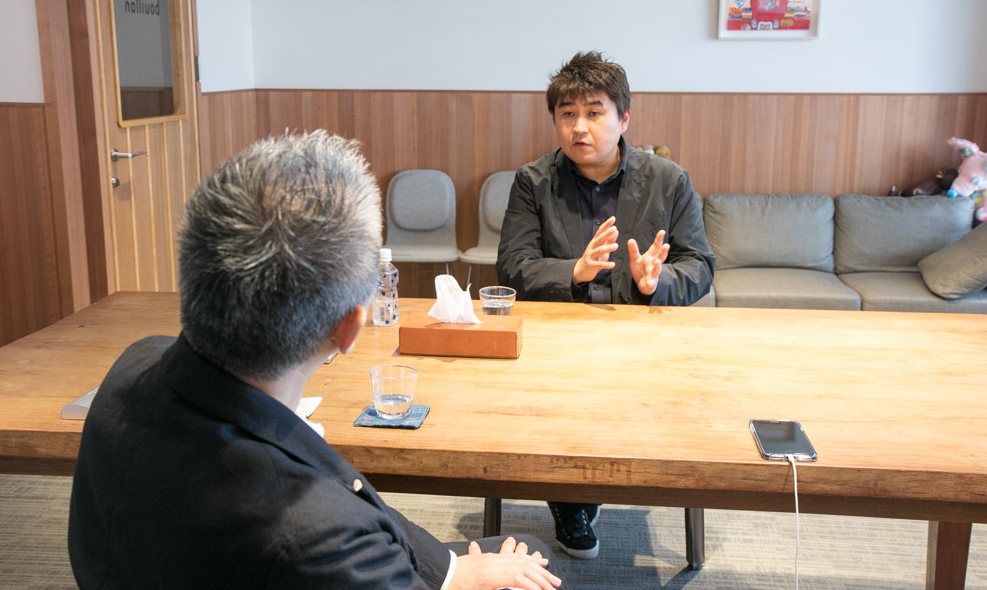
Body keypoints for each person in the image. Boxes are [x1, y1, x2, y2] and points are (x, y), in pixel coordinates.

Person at [68, 131, 563, 590]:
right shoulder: (320, 535)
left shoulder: (136, 362)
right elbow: (339, 524)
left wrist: (451, 570)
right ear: (349, 328)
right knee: (532, 560)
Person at [496, 52, 714, 560]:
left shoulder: (668, 180)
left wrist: (656, 282)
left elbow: (700, 265)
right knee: (555, 390)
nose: (579, 127)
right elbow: (511, 266)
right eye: (567, 114)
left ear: (624, 118)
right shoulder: (533, 181)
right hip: (560, 337)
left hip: (643, 335)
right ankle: (569, 495)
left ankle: (600, 482)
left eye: (594, 112)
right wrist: (573, 271)